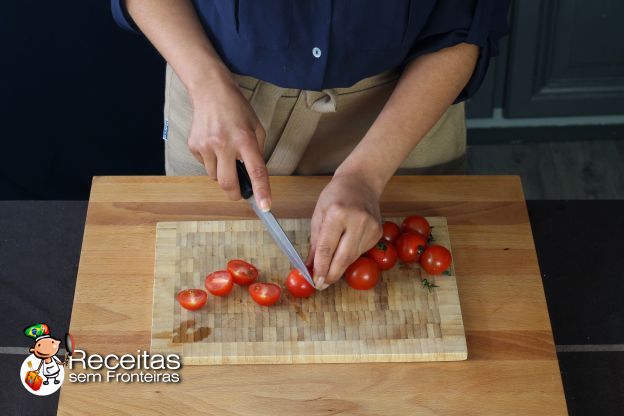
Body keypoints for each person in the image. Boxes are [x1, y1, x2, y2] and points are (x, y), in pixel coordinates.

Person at [112, 0, 509, 290]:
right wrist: (206, 83)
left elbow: (467, 21)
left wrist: (367, 174)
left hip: (404, 112)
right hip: (219, 104)